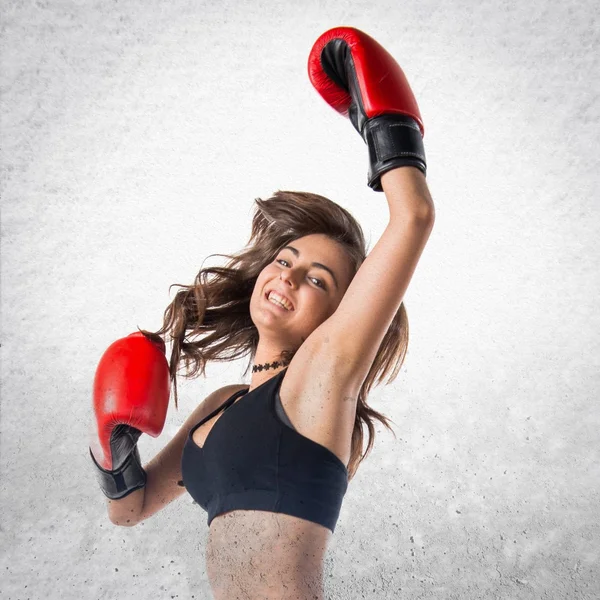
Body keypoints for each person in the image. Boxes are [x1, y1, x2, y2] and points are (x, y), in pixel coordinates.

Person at [89, 26, 435, 600]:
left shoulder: (321, 380)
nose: (288, 277)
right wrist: (113, 447)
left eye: (318, 280)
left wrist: (384, 124)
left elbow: (414, 216)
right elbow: (132, 510)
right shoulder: (222, 406)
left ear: (342, 314)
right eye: (284, 258)